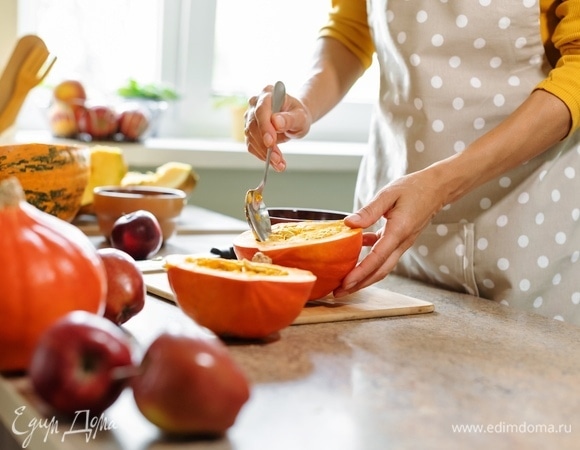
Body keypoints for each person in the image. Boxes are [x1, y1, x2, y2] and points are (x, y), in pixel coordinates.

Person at [244, 0, 580, 325]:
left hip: (524, 227)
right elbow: (351, 29)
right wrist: (304, 103)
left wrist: (440, 184)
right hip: (394, 231)